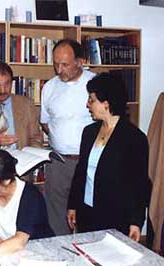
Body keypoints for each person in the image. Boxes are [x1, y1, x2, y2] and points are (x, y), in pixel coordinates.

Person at [67, 73, 150, 242]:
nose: (87, 105)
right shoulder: (89, 132)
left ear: (106, 104)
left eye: (91, 100)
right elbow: (81, 171)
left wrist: (136, 222)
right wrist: (73, 205)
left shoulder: (134, 138)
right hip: (86, 212)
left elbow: (139, 184)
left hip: (116, 217)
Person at [40, 39, 95, 235]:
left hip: (89, 161)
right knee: (56, 214)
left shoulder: (95, 83)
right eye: (55, 64)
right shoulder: (49, 87)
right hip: (59, 162)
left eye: (65, 64)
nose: (59, 69)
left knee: (87, 213)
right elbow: (45, 122)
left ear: (80, 61)